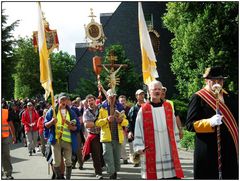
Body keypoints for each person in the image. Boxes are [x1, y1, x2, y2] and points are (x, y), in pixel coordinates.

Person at [185, 66, 238, 179]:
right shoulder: (198, 98)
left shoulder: (231, 96)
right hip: (208, 151)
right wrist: (209, 122)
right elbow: (189, 125)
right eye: (213, 80)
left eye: (220, 80)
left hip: (229, 149)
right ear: (206, 80)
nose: (217, 83)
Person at [133, 80, 184, 179]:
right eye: (154, 89)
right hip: (152, 147)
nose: (157, 91)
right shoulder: (143, 109)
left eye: (159, 89)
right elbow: (138, 128)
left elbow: (173, 126)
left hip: (167, 145)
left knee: (171, 176)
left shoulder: (168, 107)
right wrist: (139, 146)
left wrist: (176, 139)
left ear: (162, 91)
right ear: (149, 91)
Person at [44, 93, 80, 179]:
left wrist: (72, 127)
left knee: (68, 162)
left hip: (68, 141)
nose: (64, 101)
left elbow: (77, 127)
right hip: (56, 140)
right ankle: (59, 177)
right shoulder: (52, 111)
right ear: (58, 101)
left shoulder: (71, 112)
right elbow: (45, 125)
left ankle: (67, 178)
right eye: (62, 99)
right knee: (56, 162)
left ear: (68, 101)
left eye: (65, 100)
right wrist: (52, 121)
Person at [95, 89, 128, 179]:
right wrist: (106, 120)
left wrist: (121, 121)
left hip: (117, 137)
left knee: (117, 159)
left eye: (114, 96)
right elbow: (97, 123)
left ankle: (114, 173)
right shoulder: (102, 107)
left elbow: (126, 122)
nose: (113, 98)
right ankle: (112, 175)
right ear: (107, 96)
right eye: (111, 96)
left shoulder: (120, 107)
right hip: (106, 138)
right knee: (108, 157)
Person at [82, 94, 104, 179]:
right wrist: (98, 122)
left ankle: (102, 167)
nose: (91, 102)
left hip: (104, 134)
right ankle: (98, 173)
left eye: (92, 100)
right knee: (96, 155)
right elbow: (87, 125)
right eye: (89, 101)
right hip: (94, 136)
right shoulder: (86, 112)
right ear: (87, 103)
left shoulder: (101, 108)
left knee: (104, 154)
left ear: (95, 101)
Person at [127, 89, 145, 167]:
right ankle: (136, 160)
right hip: (136, 131)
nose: (141, 96)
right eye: (139, 94)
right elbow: (129, 121)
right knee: (137, 146)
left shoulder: (147, 106)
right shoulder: (133, 109)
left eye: (142, 94)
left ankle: (145, 161)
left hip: (146, 131)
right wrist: (130, 131)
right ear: (136, 96)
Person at [2, 102, 16, 179]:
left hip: (5, 138)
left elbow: (11, 125)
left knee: (6, 155)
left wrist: (13, 136)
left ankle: (8, 173)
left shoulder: (5, 112)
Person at [118, 95, 130, 164]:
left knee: (130, 145)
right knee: (122, 144)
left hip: (129, 129)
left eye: (124, 101)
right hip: (121, 129)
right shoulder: (118, 109)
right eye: (121, 101)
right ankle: (125, 158)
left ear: (126, 101)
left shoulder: (129, 109)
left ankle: (133, 158)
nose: (122, 102)